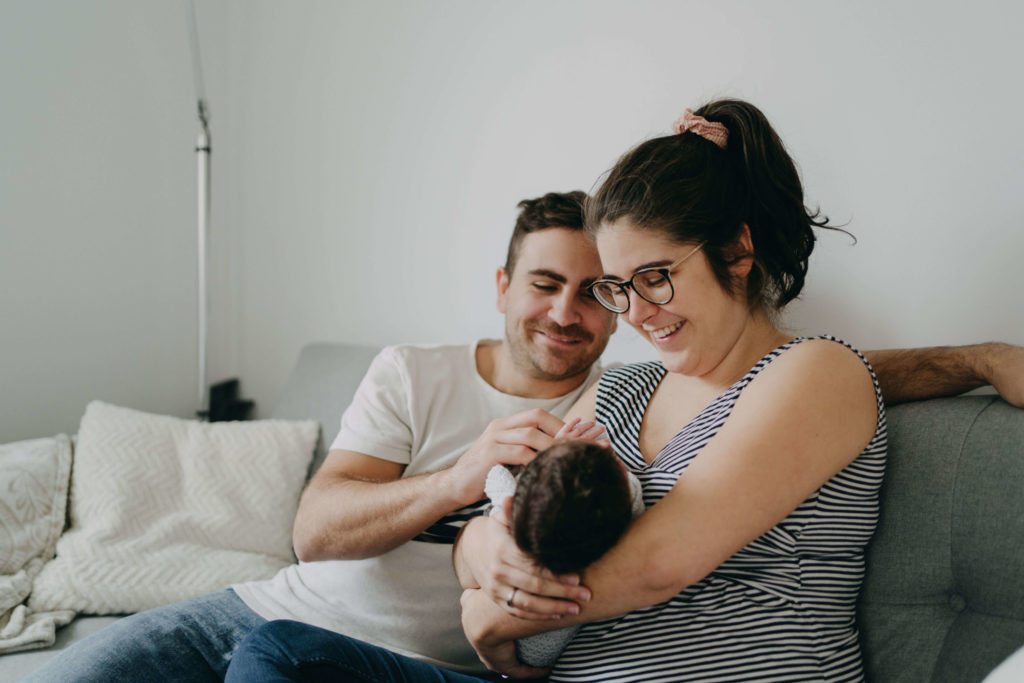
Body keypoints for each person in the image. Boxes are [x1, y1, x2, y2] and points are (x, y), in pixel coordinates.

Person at [213, 114, 1024, 681]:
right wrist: (485, 577)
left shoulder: (817, 372)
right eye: (618, 285)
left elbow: (658, 563)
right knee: (281, 653)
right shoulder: (624, 388)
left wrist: (501, 613)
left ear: (737, 252)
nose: (634, 312)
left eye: (656, 276)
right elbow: (499, 534)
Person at [482, 420, 645, 668]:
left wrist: (553, 455)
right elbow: (631, 494)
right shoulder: (607, 539)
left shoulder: (511, 509)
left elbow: (496, 474)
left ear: (510, 508)